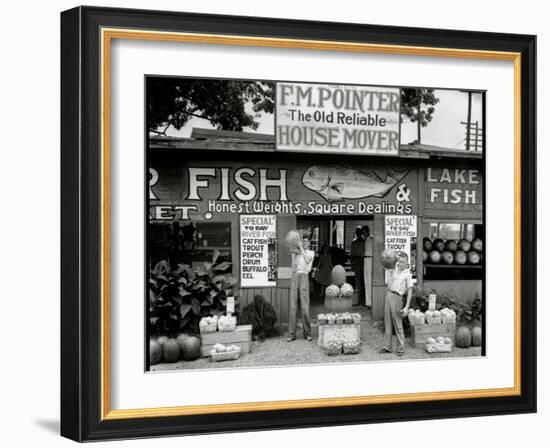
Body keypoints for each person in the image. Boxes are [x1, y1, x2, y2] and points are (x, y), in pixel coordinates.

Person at [379, 252, 414, 357]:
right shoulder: (393, 270)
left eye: (403, 262)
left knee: (398, 324)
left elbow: (410, 291)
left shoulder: (407, 274)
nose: (401, 264)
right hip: (389, 295)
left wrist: (407, 307)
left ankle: (400, 349)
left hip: (398, 298)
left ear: (407, 263)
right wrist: (393, 260)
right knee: (387, 323)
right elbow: (386, 265)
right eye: (400, 262)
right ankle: (387, 347)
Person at [287, 235, 315, 342]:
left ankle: (307, 333)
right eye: (303, 241)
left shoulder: (310, 253)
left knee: (304, 306)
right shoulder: (296, 252)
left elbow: (307, 260)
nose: (305, 243)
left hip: (304, 276)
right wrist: (293, 255)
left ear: (309, 243)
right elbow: (293, 268)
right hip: (295, 276)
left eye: (307, 241)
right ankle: (291, 334)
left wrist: (301, 248)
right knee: (293, 306)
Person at [350, 227, 365, 305]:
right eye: (357, 233)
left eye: (360, 233)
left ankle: (364, 296)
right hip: (357, 260)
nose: (359, 234)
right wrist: (352, 264)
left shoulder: (365, 242)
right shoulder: (354, 243)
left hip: (364, 260)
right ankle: (358, 297)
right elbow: (352, 254)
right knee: (357, 279)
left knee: (365, 278)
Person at [362, 225, 374, 307]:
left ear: (368, 231)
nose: (363, 234)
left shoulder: (372, 239)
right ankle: (367, 301)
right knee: (366, 280)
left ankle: (370, 302)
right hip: (365, 259)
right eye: (363, 232)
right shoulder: (365, 240)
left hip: (370, 258)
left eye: (364, 232)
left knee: (369, 280)